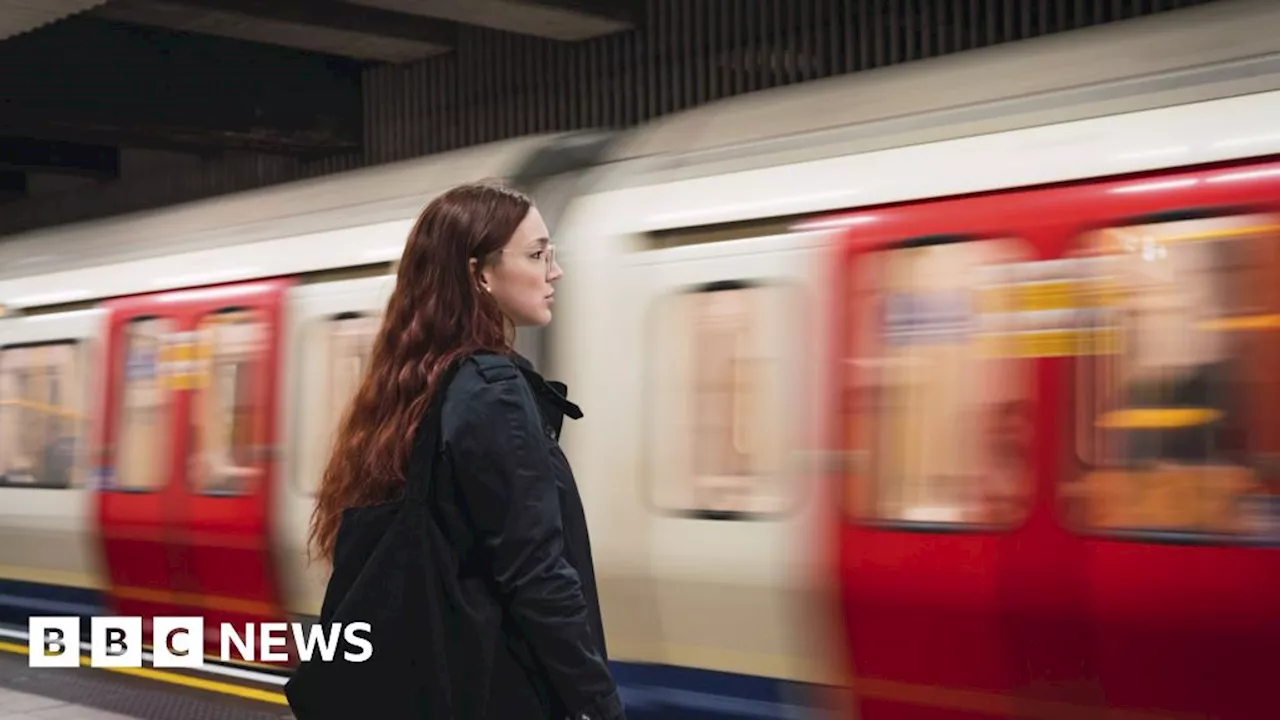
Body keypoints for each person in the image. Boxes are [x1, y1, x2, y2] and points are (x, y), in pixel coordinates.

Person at [305, 181, 626, 720]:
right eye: (537, 254)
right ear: (479, 273)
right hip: (498, 693)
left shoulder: (420, 385)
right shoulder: (492, 390)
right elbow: (537, 572)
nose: (555, 271)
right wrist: (599, 704)